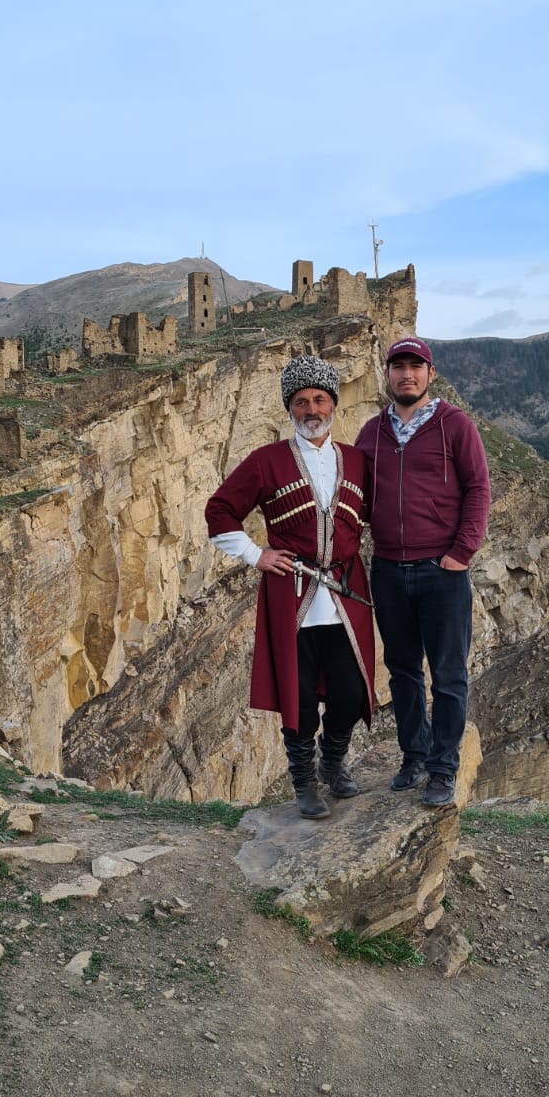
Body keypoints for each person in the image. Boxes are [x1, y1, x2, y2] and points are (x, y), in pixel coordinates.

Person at [205, 355, 375, 819]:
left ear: (333, 404)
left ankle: (333, 763)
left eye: (319, 399)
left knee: (350, 691)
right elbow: (219, 511)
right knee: (297, 696)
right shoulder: (266, 462)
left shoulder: (357, 461)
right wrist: (255, 554)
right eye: (301, 401)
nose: (311, 409)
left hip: (345, 592)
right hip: (291, 593)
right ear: (289, 408)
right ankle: (304, 782)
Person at [356, 336, 490, 807]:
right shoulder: (372, 432)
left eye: (416, 366)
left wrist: (462, 551)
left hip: (442, 571)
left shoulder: (456, 425)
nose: (407, 374)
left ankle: (442, 767)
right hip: (389, 570)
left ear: (430, 374)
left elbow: (478, 488)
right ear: (387, 373)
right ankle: (413, 755)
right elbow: (357, 496)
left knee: (449, 674)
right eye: (399, 366)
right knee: (402, 671)